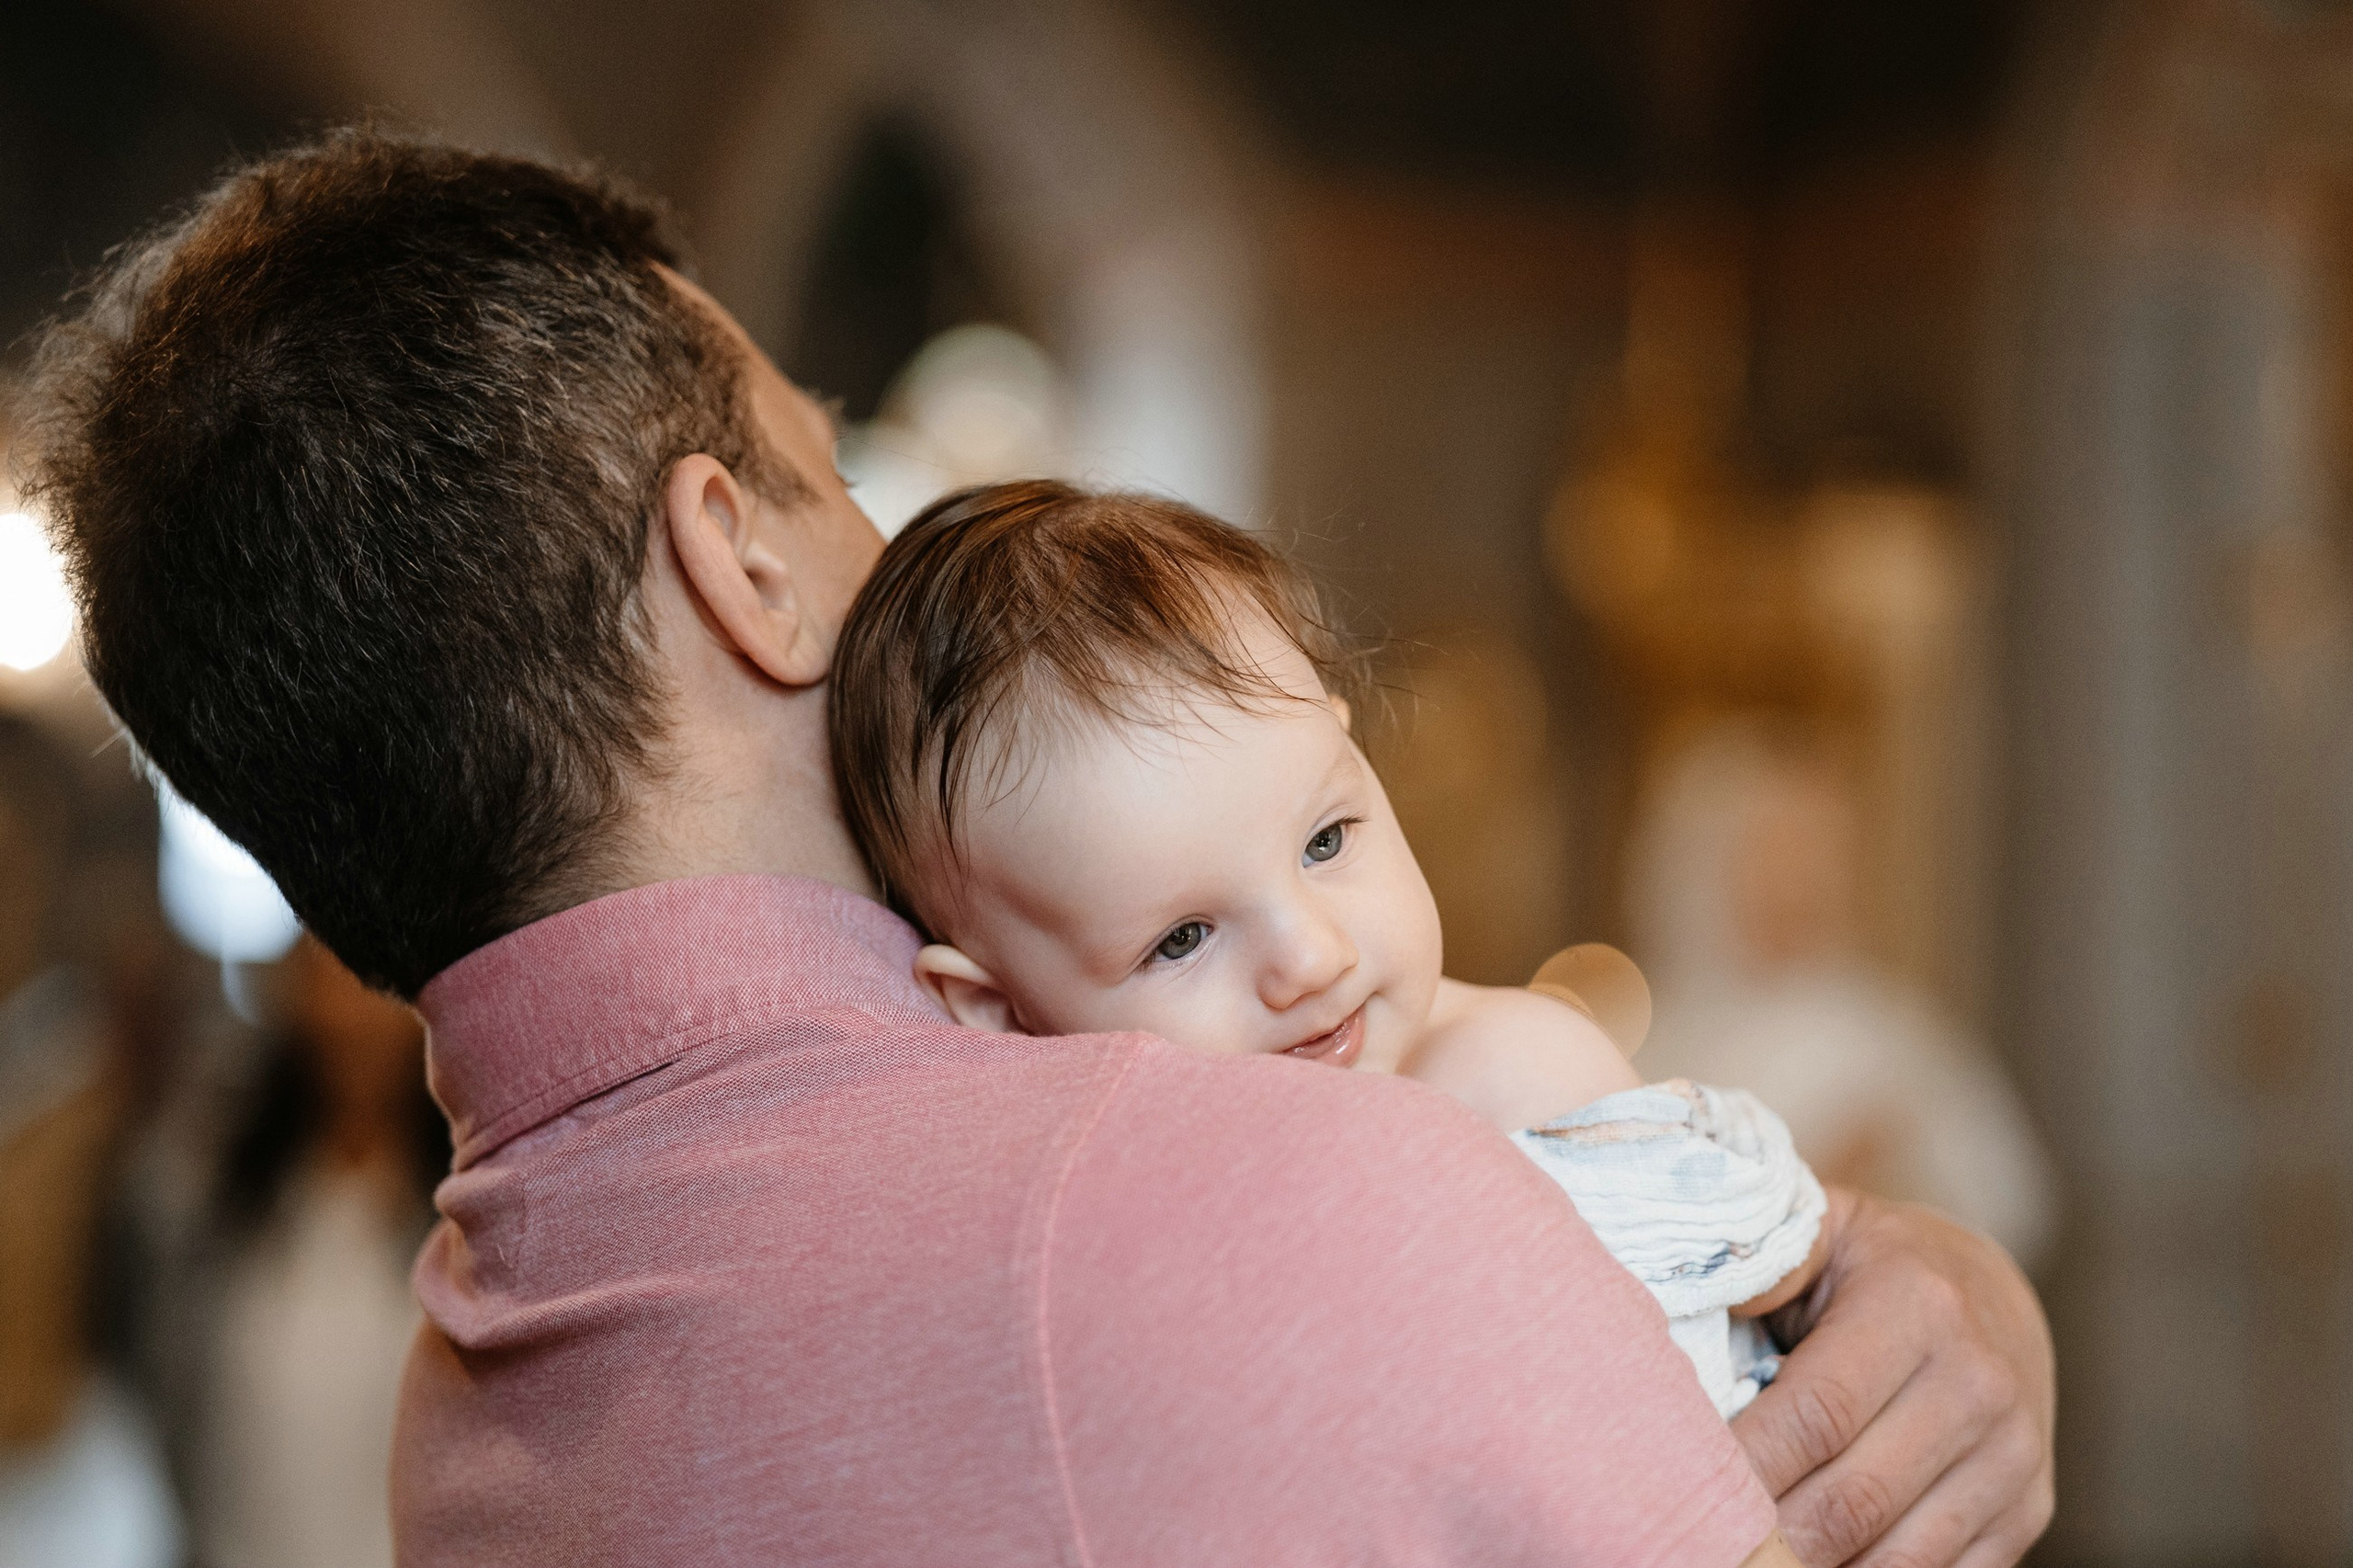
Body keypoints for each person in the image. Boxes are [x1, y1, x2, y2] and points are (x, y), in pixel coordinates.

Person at [15, 131, 2053, 1566]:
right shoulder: (1306, 1197)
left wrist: (1861, 1251)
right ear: (743, 563)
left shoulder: (461, 1410)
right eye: (830, 465)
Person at [826, 480, 1826, 1424]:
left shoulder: (1515, 1082)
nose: (1310, 955)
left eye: (1325, 840)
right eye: (1181, 938)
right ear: (1000, 1012)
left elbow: (1657, 1453)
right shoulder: (1086, 1227)